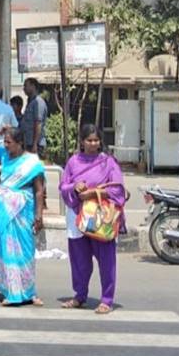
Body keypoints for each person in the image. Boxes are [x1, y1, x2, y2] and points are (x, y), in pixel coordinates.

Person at [59, 124, 127, 314]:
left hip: (102, 217)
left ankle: (107, 299)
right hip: (78, 217)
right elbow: (63, 186)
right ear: (81, 141)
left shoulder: (108, 162)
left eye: (96, 140)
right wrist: (75, 187)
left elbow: (118, 189)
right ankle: (80, 295)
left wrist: (94, 193)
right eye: (89, 140)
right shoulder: (73, 162)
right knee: (79, 260)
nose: (92, 143)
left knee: (106, 260)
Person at [0, 126, 46, 306]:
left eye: (9, 142)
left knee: (25, 251)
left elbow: (39, 191)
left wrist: (39, 216)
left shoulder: (32, 162)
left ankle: (28, 291)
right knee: (6, 249)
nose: (6, 145)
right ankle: (10, 289)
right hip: (5, 209)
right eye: (4, 142)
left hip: (24, 209)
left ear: (20, 143)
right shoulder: (4, 156)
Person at [19, 78, 48, 158]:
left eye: (26, 85)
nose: (24, 88)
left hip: (35, 144)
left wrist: (35, 144)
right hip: (27, 142)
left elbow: (38, 123)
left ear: (33, 86)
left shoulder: (38, 102)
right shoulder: (30, 102)